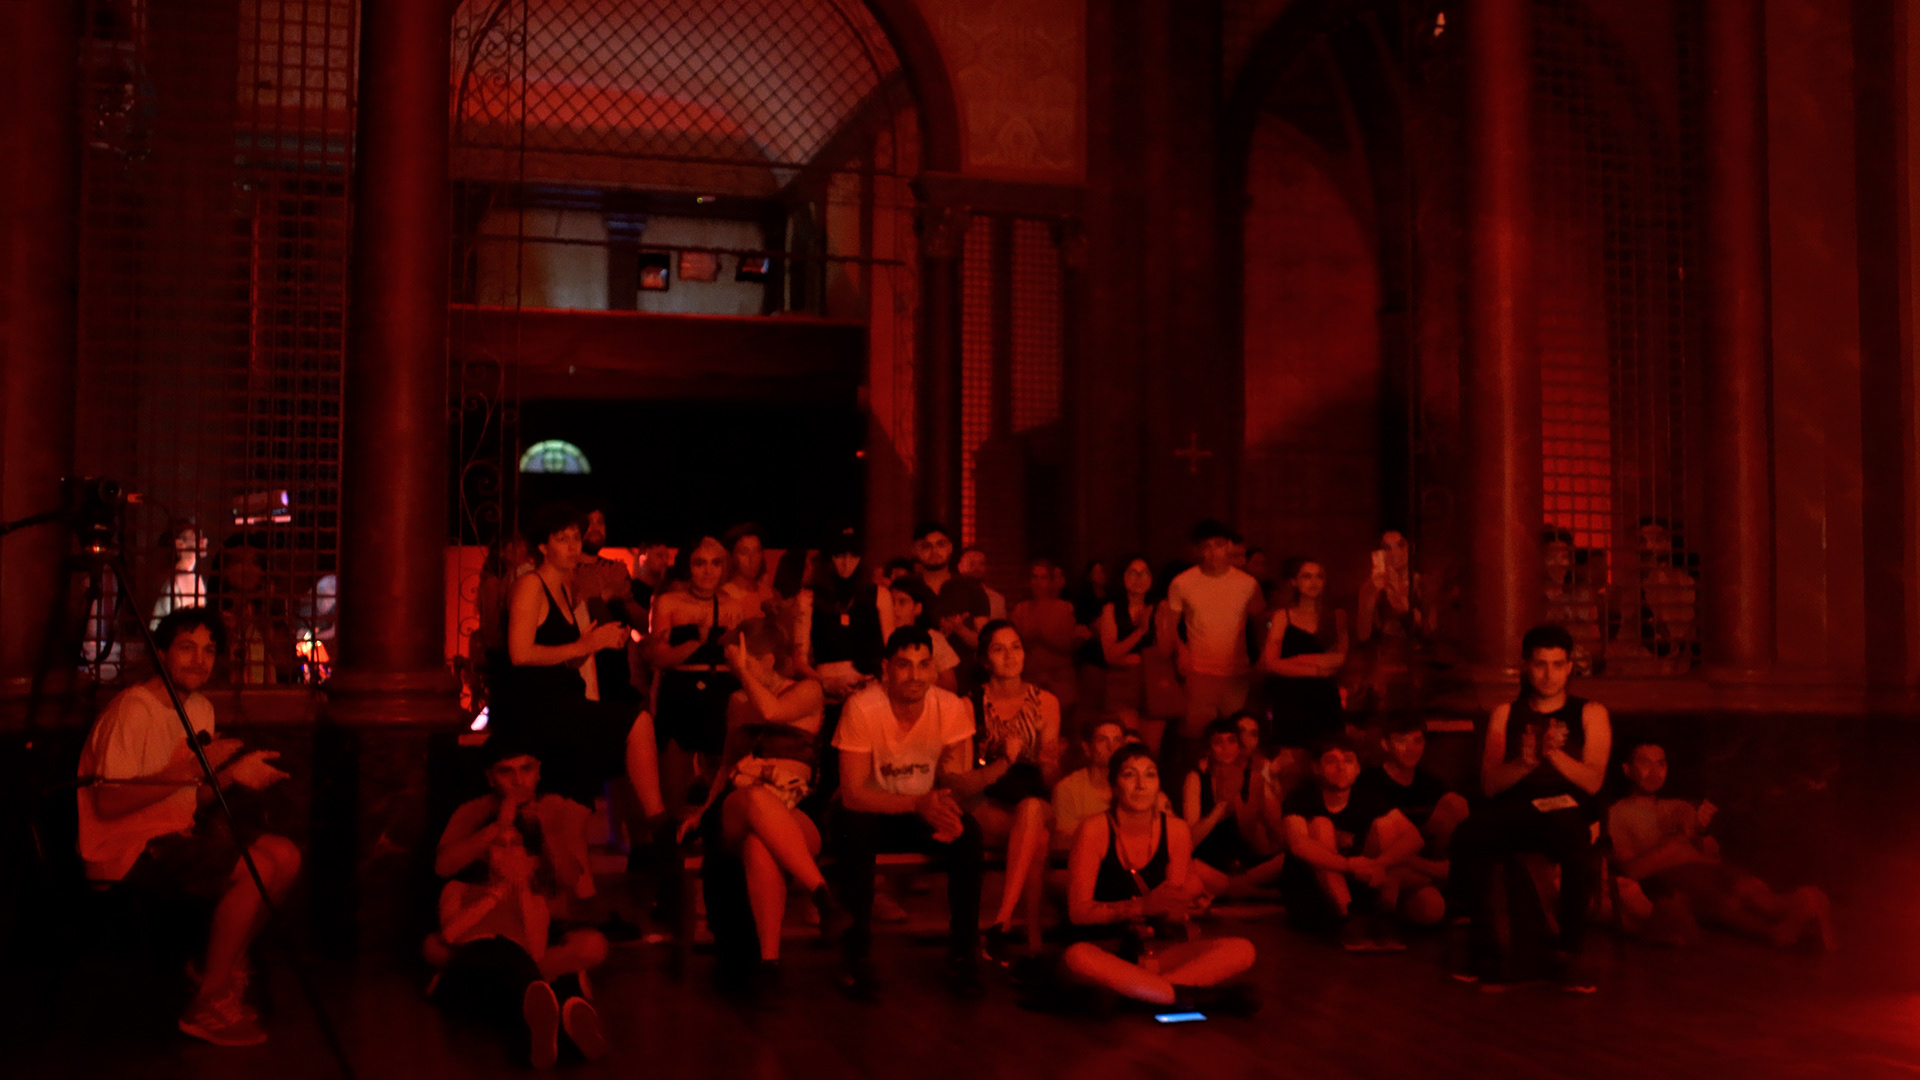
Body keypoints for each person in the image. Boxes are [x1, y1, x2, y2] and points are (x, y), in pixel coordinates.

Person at [75, 607, 301, 1047]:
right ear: (161, 654)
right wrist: (193, 769)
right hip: (123, 848)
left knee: (286, 856)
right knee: (255, 866)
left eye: (209, 651)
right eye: (187, 648)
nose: (199, 660)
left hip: (173, 834)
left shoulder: (199, 708)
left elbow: (191, 799)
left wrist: (233, 777)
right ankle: (208, 1001)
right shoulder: (133, 710)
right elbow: (108, 801)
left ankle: (219, 967)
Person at [679, 619, 850, 993]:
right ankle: (822, 895)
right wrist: (702, 812)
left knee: (760, 845)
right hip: (738, 804)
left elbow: (773, 712)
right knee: (756, 797)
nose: (734, 669)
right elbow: (726, 764)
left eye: (741, 661)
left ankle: (769, 963)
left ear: (768, 659)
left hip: (794, 806)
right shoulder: (738, 701)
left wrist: (744, 673)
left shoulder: (807, 691)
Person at [1448, 624, 1611, 992]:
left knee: (1574, 846)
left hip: (1567, 809)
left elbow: (1592, 781)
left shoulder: (1591, 712)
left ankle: (1569, 951)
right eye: (1540, 664)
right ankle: (1482, 945)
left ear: (1569, 667)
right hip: (1518, 808)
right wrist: (1526, 762)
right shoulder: (1506, 713)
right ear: (1527, 666)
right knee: (1468, 834)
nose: (1549, 674)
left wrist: (1554, 755)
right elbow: (1490, 784)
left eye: (1557, 665)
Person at [428, 738, 609, 1068]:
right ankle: (563, 999)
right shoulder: (473, 810)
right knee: (436, 946)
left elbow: (570, 878)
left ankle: (482, 984)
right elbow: (443, 866)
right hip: (485, 929)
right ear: (490, 777)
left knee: (592, 945)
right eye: (506, 772)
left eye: (526, 769)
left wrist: (547, 831)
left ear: (538, 771)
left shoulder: (557, 808)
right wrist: (497, 829)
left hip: (540, 927)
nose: (518, 780)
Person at [829, 627, 987, 1000]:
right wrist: (919, 804)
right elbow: (853, 794)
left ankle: (963, 952)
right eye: (904, 665)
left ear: (934, 669)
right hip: (872, 809)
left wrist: (948, 811)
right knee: (854, 831)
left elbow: (957, 781)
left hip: (923, 808)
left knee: (968, 834)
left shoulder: (950, 707)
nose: (915, 675)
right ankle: (855, 954)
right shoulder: (862, 707)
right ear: (886, 668)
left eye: (924, 665)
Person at [495, 505, 668, 831]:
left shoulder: (565, 586)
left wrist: (598, 642)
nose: (573, 546)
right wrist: (584, 646)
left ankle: (651, 826)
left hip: (564, 696)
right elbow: (519, 654)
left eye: (576, 537)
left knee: (633, 728)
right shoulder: (531, 585)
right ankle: (657, 825)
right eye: (562, 539)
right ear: (543, 546)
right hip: (537, 704)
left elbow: (561, 656)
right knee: (637, 722)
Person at [1061, 744, 1257, 1010]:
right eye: (1129, 775)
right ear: (1114, 786)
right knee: (1078, 956)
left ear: (1159, 785)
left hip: (1152, 952)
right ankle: (1187, 996)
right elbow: (1078, 913)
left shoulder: (1175, 830)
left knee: (1242, 949)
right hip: (1105, 947)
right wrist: (1140, 907)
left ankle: (1146, 994)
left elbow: (1170, 908)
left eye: (1150, 775)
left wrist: (1184, 902)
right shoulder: (1094, 830)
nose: (1141, 785)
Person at [1608, 742, 1832, 949]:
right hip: (1675, 878)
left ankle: (1799, 908)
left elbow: (1711, 854)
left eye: (1661, 763)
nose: (1655, 771)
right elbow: (1631, 870)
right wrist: (1676, 843)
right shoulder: (1618, 813)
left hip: (1708, 869)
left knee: (1756, 896)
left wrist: (1702, 833)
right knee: (1726, 901)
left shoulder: (1679, 806)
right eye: (1645, 762)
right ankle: (1790, 920)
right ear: (1627, 769)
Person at [961, 621, 1063, 957]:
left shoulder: (1046, 702)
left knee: (1031, 810)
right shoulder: (969, 704)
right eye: (999, 649)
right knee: (1038, 841)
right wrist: (1000, 755)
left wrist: (1048, 761)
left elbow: (1049, 777)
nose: (1010, 656)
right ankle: (1033, 942)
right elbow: (963, 770)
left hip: (1031, 794)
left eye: (1016, 647)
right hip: (989, 795)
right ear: (985, 659)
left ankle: (1002, 922)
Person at [1279, 736, 1423, 950]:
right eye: (1331, 761)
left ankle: (1383, 914)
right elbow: (1299, 845)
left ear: (1357, 768)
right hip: (1311, 892)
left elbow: (1414, 838)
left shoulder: (1368, 797)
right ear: (1317, 768)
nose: (1341, 767)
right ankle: (1345, 916)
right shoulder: (1301, 798)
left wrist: (1378, 863)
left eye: (1348, 760)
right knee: (1321, 825)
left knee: (1386, 826)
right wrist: (1349, 866)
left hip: (1359, 885)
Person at [646, 535, 749, 793]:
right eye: (700, 563)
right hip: (681, 691)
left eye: (716, 563)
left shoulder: (733, 605)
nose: (708, 571)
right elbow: (657, 658)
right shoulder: (669, 602)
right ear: (688, 566)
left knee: (721, 782)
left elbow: (740, 659)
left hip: (721, 692)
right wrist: (696, 642)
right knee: (674, 783)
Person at [1355, 715, 1468, 926]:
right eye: (1401, 741)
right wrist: (1435, 871)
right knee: (1386, 829)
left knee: (1431, 909)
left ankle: (1408, 897)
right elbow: (1373, 844)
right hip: (1381, 864)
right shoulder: (1369, 781)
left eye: (1417, 741)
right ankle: (1385, 903)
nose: (1410, 749)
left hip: (1412, 868)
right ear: (1385, 744)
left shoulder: (1429, 782)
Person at [1166, 520, 1265, 751]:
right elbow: (1169, 625)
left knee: (1239, 740)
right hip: (1199, 674)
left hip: (1236, 674)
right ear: (1198, 550)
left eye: (1218, 545)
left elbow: (1261, 624)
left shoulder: (1247, 584)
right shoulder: (1183, 583)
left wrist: (1261, 661)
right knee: (1198, 739)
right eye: (1206, 547)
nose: (1212, 553)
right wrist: (1181, 650)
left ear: (1229, 546)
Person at [1182, 715, 1286, 898]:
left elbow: (1275, 829)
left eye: (1231, 741)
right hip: (1208, 862)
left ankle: (1238, 889)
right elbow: (1190, 840)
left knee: (1289, 860)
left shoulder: (1252, 778)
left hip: (1244, 863)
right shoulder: (1196, 778)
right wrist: (1221, 804)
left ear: (1239, 746)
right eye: (1218, 742)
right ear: (1209, 748)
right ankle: (1245, 892)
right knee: (1191, 868)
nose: (1226, 748)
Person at [1259, 557, 1349, 754]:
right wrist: (1317, 670)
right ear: (1294, 582)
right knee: (1292, 755)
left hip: (1325, 697)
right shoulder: (1282, 616)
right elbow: (1271, 662)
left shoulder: (1336, 616)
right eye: (1307, 576)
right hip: (1291, 696)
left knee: (1330, 752)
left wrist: (1297, 660)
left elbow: (1339, 659)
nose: (1313, 582)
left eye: (1319, 576)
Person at [574, 503, 642, 706]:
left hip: (616, 677)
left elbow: (638, 622)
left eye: (600, 522)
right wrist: (605, 594)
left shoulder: (615, 569)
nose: (595, 528)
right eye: (589, 522)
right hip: (579, 670)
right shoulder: (567, 571)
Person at [1356, 529, 1428, 718]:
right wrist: (1372, 593)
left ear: (1410, 548)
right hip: (1385, 666)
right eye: (1387, 548)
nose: (1394, 552)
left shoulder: (1423, 583)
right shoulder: (1371, 586)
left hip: (1420, 664)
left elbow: (1429, 629)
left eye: (1400, 545)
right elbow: (1362, 634)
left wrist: (1400, 599)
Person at [808, 533, 890, 698]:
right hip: (826, 687)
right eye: (840, 556)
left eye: (853, 557)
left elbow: (890, 650)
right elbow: (799, 661)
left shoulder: (879, 595)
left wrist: (880, 682)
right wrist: (826, 684)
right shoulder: (809, 598)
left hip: (869, 687)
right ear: (829, 558)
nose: (846, 564)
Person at [1096, 557, 1164, 748]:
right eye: (1132, 573)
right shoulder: (1111, 608)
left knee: (1152, 748)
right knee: (1128, 744)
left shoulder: (1159, 607)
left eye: (1144, 573)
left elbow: (1164, 650)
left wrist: (1134, 657)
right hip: (1122, 682)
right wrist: (1140, 631)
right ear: (1123, 577)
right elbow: (1110, 654)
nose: (1138, 578)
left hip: (1152, 681)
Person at [898, 521, 992, 654]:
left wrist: (960, 629)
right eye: (926, 546)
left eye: (940, 544)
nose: (934, 551)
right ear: (914, 550)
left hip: (963, 665)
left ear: (950, 547)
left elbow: (984, 643)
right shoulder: (904, 586)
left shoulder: (972, 588)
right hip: (916, 663)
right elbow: (892, 636)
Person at [1012, 558, 1082, 720]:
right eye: (1034, 577)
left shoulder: (1063, 608)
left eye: (1043, 578)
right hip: (1031, 679)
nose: (1038, 582)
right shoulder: (1021, 609)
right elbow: (1015, 645)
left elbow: (1069, 646)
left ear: (1050, 581)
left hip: (1060, 680)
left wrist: (1043, 638)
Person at [1051, 716, 1134, 849]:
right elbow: (1063, 843)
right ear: (1087, 748)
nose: (1111, 747)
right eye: (1102, 740)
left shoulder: (1137, 783)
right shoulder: (1068, 788)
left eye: (1117, 740)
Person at [887, 583, 961, 691]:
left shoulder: (933, 638)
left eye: (902, 602)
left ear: (918, 608)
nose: (894, 608)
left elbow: (951, 685)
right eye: (891, 603)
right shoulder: (881, 637)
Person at [720, 522, 775, 620]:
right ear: (731, 555)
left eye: (757, 551)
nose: (752, 559)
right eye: (744, 552)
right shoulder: (725, 597)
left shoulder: (766, 592)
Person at [958, 545, 1008, 620]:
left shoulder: (997, 599)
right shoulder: (949, 595)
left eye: (981, 563)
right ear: (960, 567)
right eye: (971, 563)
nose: (977, 568)